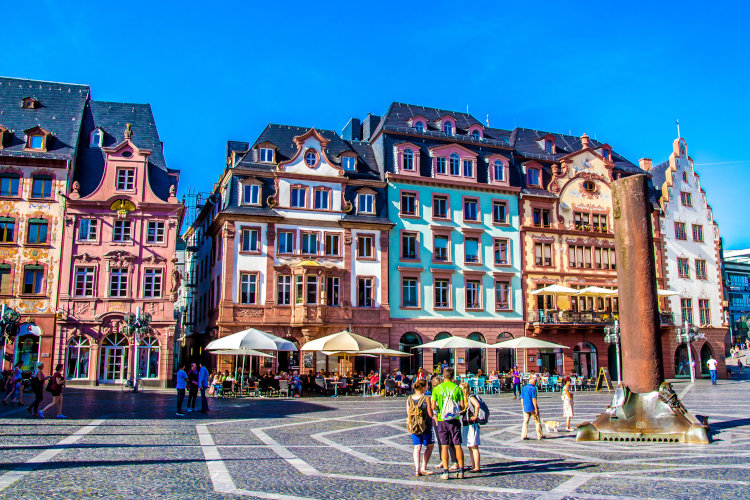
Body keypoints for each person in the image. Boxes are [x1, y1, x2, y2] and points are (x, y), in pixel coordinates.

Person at [431, 367, 465, 480]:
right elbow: (463, 405)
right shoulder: (457, 388)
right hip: (455, 420)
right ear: (453, 375)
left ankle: (445, 472)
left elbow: (433, 407)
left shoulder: (437, 389)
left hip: (442, 420)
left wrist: (441, 408)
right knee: (458, 445)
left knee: (444, 445)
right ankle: (461, 471)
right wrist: (455, 409)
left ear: (443, 375)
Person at [407, 380, 434, 477]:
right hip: (425, 425)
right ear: (423, 387)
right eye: (426, 386)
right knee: (429, 446)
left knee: (417, 447)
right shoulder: (426, 398)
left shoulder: (409, 398)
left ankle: (417, 469)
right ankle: (424, 467)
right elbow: (430, 414)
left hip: (414, 426)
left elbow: (408, 413)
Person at [459, 381, 481, 472]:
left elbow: (477, 405)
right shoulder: (464, 399)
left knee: (474, 446)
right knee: (470, 446)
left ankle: (477, 467)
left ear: (464, 389)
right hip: (466, 425)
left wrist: (475, 416)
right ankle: (473, 465)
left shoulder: (470, 397)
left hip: (472, 425)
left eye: (460, 389)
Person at [520, 375, 544, 440]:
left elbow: (521, 398)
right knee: (537, 421)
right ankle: (539, 435)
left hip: (526, 407)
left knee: (525, 422)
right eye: (535, 381)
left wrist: (523, 406)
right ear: (533, 381)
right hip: (532, 407)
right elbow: (534, 399)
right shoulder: (533, 388)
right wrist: (536, 409)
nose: (535, 383)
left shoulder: (524, 388)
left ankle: (523, 435)